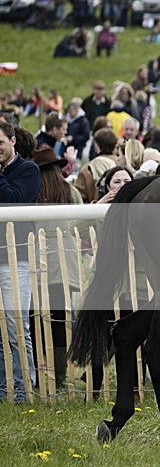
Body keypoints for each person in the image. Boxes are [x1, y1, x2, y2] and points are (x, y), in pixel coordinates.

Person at [31, 147, 83, 389]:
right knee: (61, 319)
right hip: (65, 262)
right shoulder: (70, 191)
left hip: (38, 261)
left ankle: (40, 369)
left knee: (36, 318)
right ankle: (59, 375)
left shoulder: (33, 193)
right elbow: (78, 223)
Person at [0, 123, 41, 402]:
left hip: (14, 260)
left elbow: (14, 200)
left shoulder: (28, 170)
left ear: (12, 141)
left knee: (16, 326)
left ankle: (23, 387)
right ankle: (3, 388)